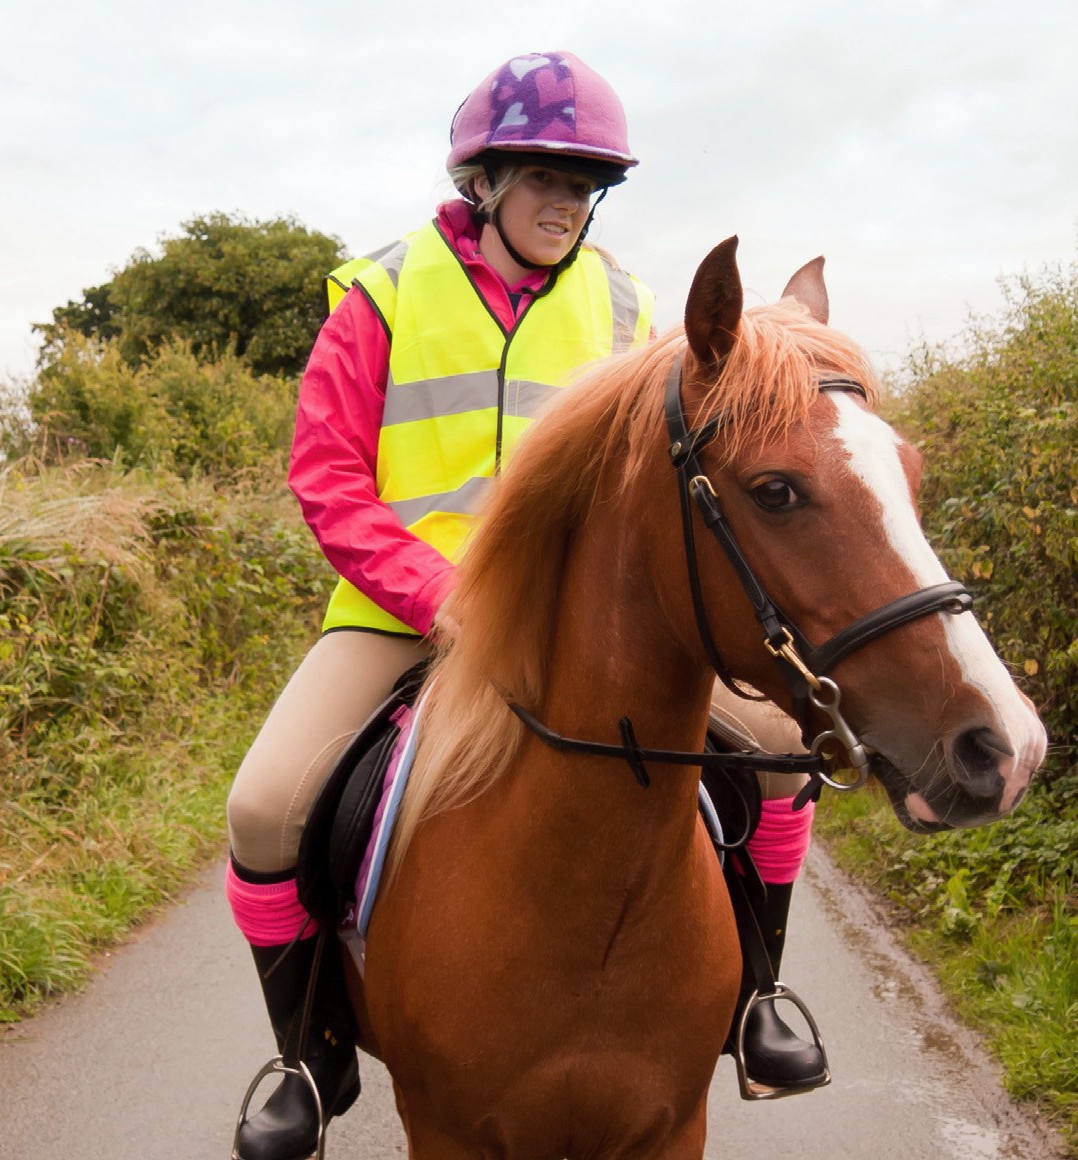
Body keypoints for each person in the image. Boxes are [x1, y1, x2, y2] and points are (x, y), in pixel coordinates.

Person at [224, 50, 821, 1160]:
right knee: (263, 807)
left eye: (588, 182)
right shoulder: (383, 292)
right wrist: (439, 593)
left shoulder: (631, 305)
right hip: (404, 611)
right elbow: (328, 478)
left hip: (579, 622)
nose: (567, 202)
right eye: (544, 176)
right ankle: (307, 1056)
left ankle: (758, 1001)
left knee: (781, 750)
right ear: (484, 179)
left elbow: (659, 477)